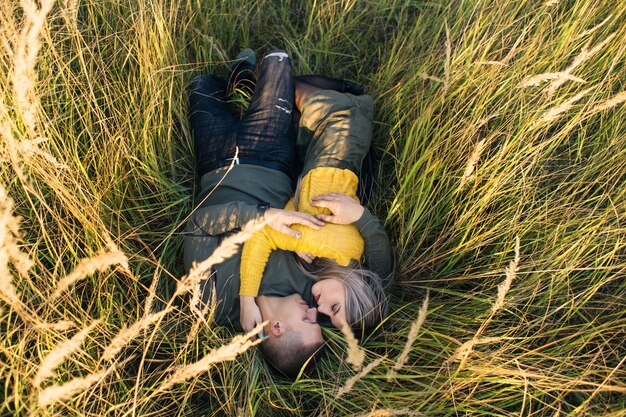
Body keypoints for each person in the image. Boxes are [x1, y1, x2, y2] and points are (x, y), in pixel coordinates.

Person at [183, 50, 326, 377]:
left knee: (201, 83)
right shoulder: (308, 287)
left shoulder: (214, 304)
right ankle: (247, 76)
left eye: (308, 321)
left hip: (214, 162)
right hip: (270, 155)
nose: (314, 313)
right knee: (278, 61)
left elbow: (199, 225)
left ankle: (240, 80)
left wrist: (263, 217)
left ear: (275, 328)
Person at [238, 76, 394, 332]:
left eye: (326, 316)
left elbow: (380, 259)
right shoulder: (338, 250)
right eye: (334, 308)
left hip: (324, 152)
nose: (320, 309)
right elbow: (263, 234)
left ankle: (346, 91)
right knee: (278, 83)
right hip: (338, 132)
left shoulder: (335, 263)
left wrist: (293, 218)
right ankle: (249, 72)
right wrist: (247, 299)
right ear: (354, 290)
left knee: (286, 95)